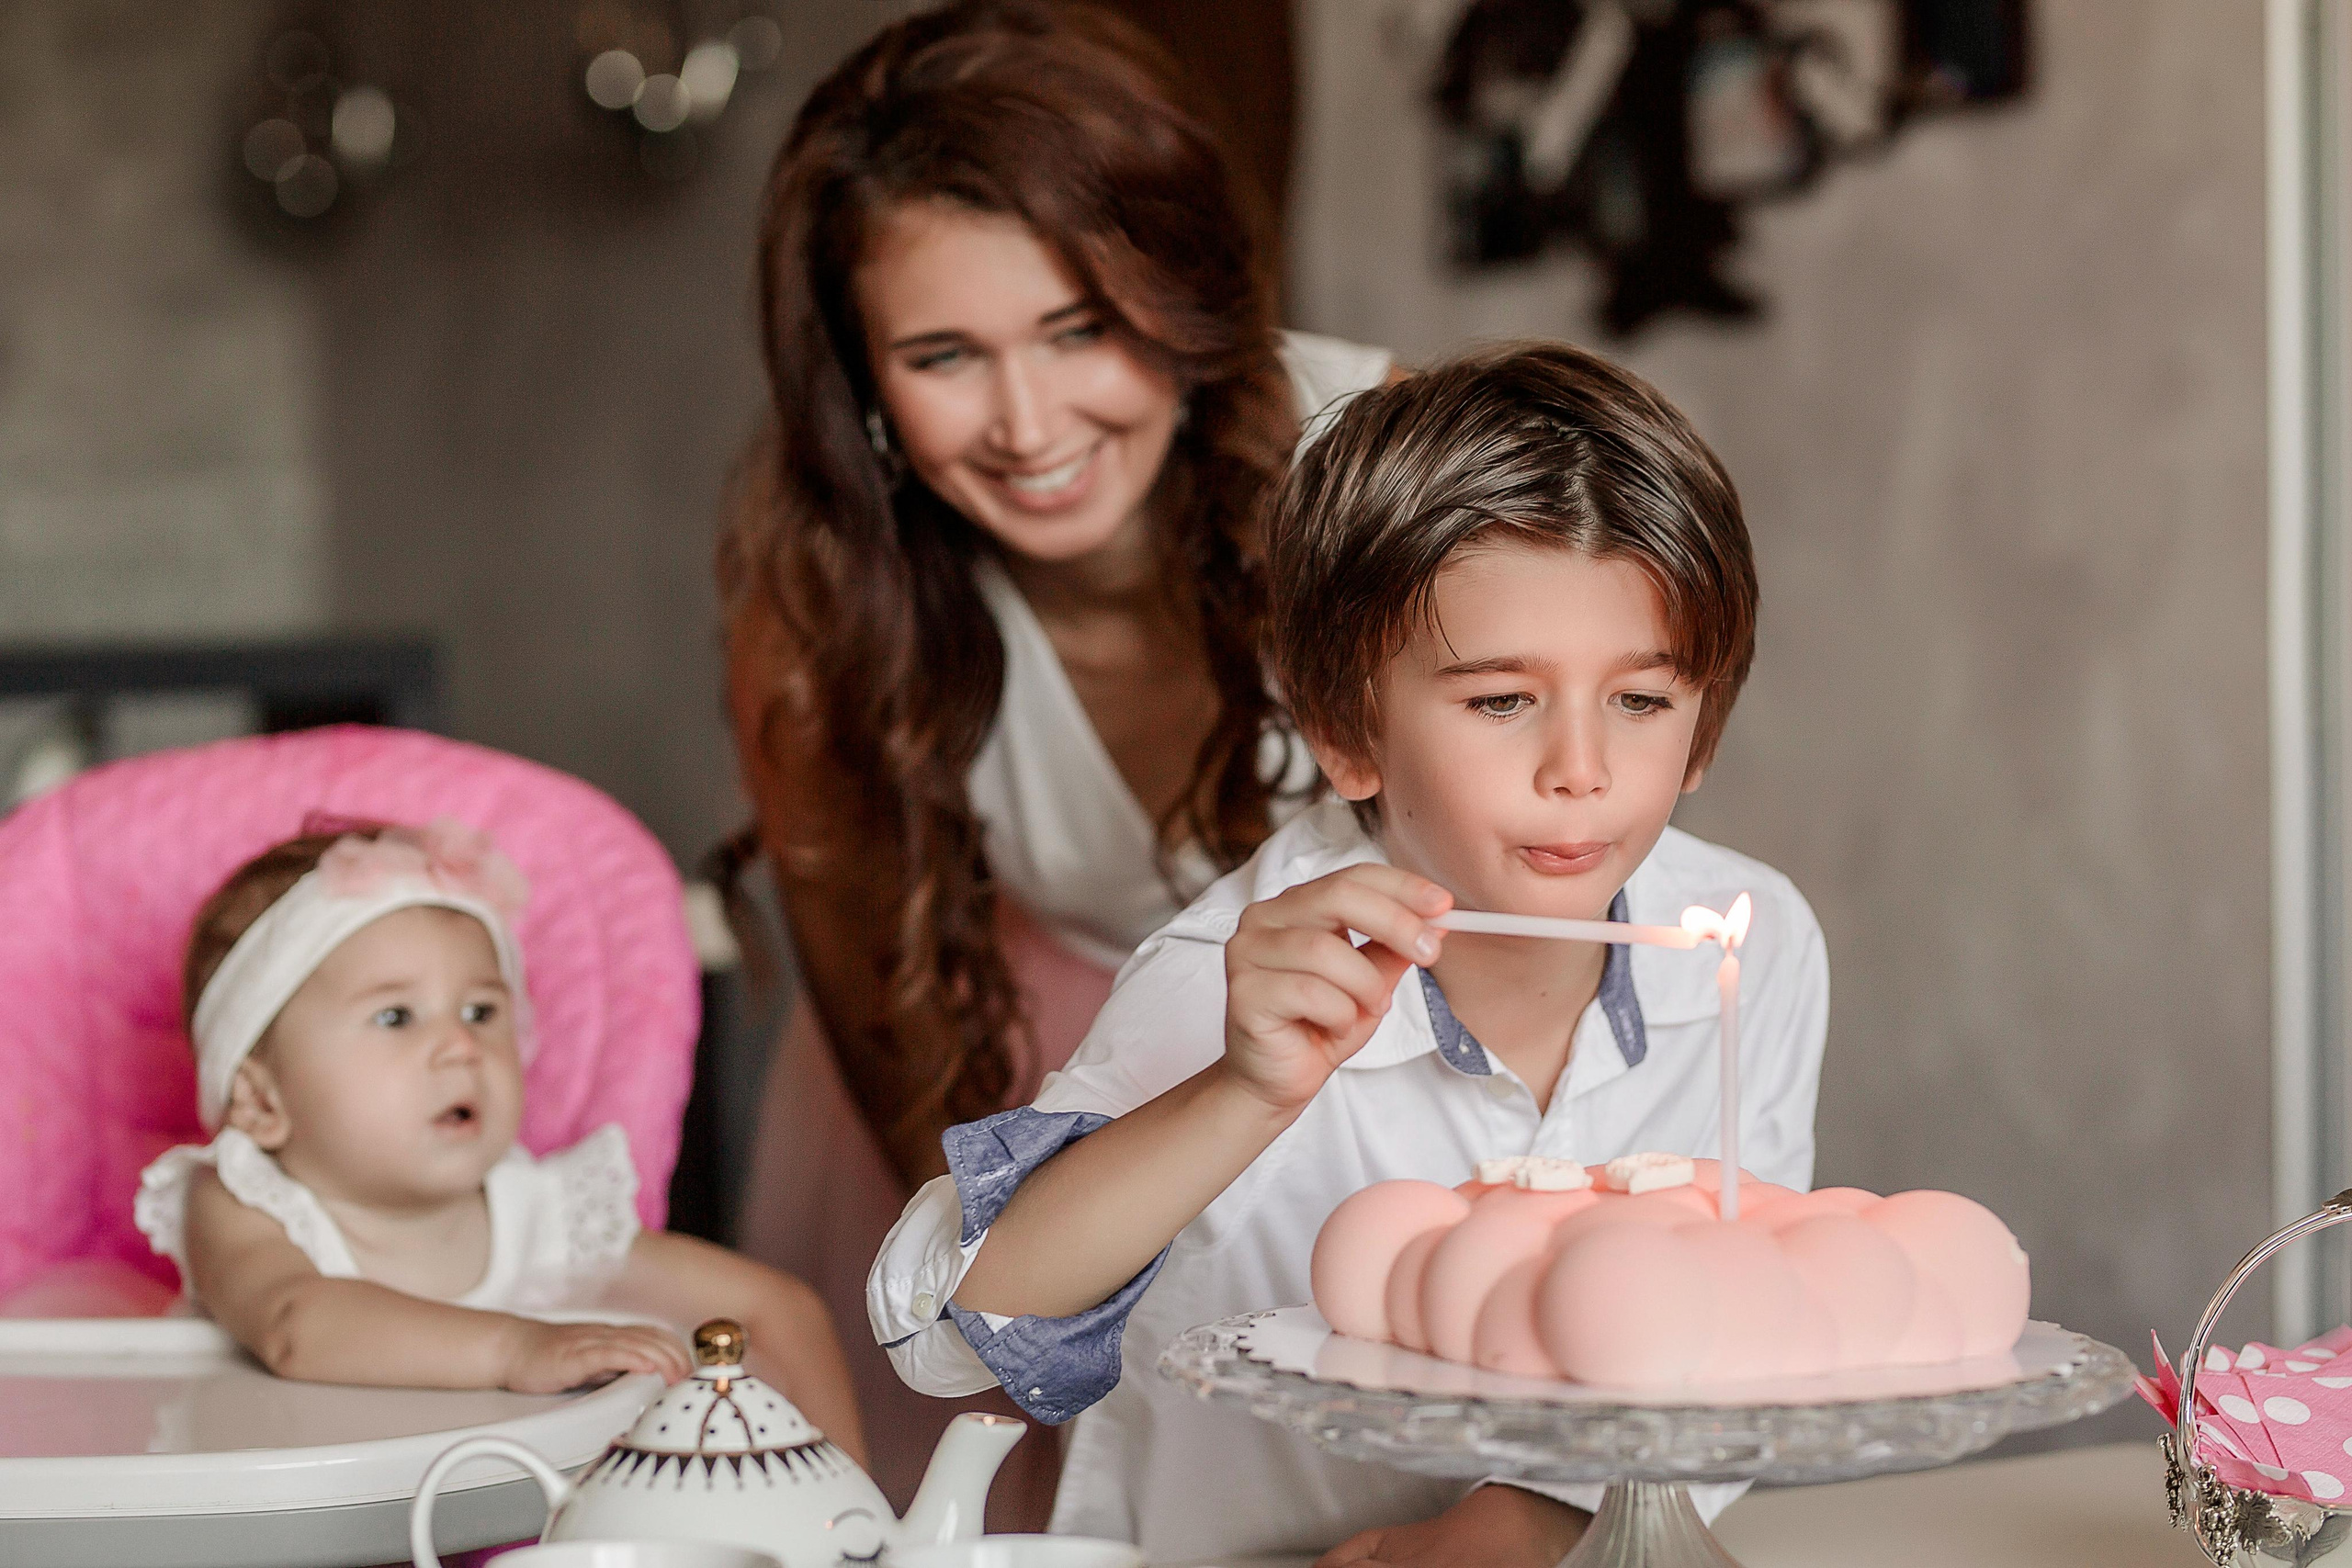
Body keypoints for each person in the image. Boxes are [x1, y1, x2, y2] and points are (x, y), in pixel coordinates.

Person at [869, 344, 1829, 1563]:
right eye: (1500, 701)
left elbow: (1737, 1333)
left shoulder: (1754, 948)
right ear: (1344, 730)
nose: (1580, 768)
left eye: (1641, 699)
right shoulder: (1238, 979)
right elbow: (948, 1327)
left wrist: (1522, 1518)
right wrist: (1242, 1090)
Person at [718, 0, 1392, 1518]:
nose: (1030, 426)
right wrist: (1076, 1264)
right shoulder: (820, 606)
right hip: (1017, 1093)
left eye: (1082, 327)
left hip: (1394, 1082)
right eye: (944, 354)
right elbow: (912, 1076)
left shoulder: (1384, 464)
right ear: (863, 383)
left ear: (1186, 297)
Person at [133, 819, 865, 1459]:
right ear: (263, 1102)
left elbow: (779, 1310)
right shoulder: (244, 1202)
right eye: (396, 1016)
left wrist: (862, 1525)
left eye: (482, 1010)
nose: (461, 1046)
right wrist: (516, 1346)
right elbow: (298, 1324)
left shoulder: (539, 1214)